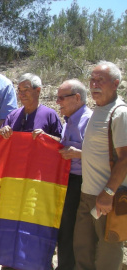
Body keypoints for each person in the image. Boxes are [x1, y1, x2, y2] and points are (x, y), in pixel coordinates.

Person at [73, 61, 127, 270]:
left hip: (107, 199)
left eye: (100, 80)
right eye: (92, 80)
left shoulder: (120, 113)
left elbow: (125, 158)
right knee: (83, 251)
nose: (94, 85)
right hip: (88, 195)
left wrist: (108, 192)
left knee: (107, 255)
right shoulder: (99, 109)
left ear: (115, 84)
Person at [55, 79, 92, 270]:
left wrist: (77, 153)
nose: (58, 102)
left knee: (70, 229)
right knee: (64, 228)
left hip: (80, 183)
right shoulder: (70, 120)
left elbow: (105, 154)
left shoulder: (88, 121)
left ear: (77, 98)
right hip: (67, 180)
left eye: (62, 97)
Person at [0, 73, 62, 140]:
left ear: (38, 91)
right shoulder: (13, 115)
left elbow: (60, 142)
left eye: (26, 90)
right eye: (19, 90)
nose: (22, 94)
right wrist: (1, 133)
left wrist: (46, 136)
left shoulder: (49, 115)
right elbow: (0, 141)